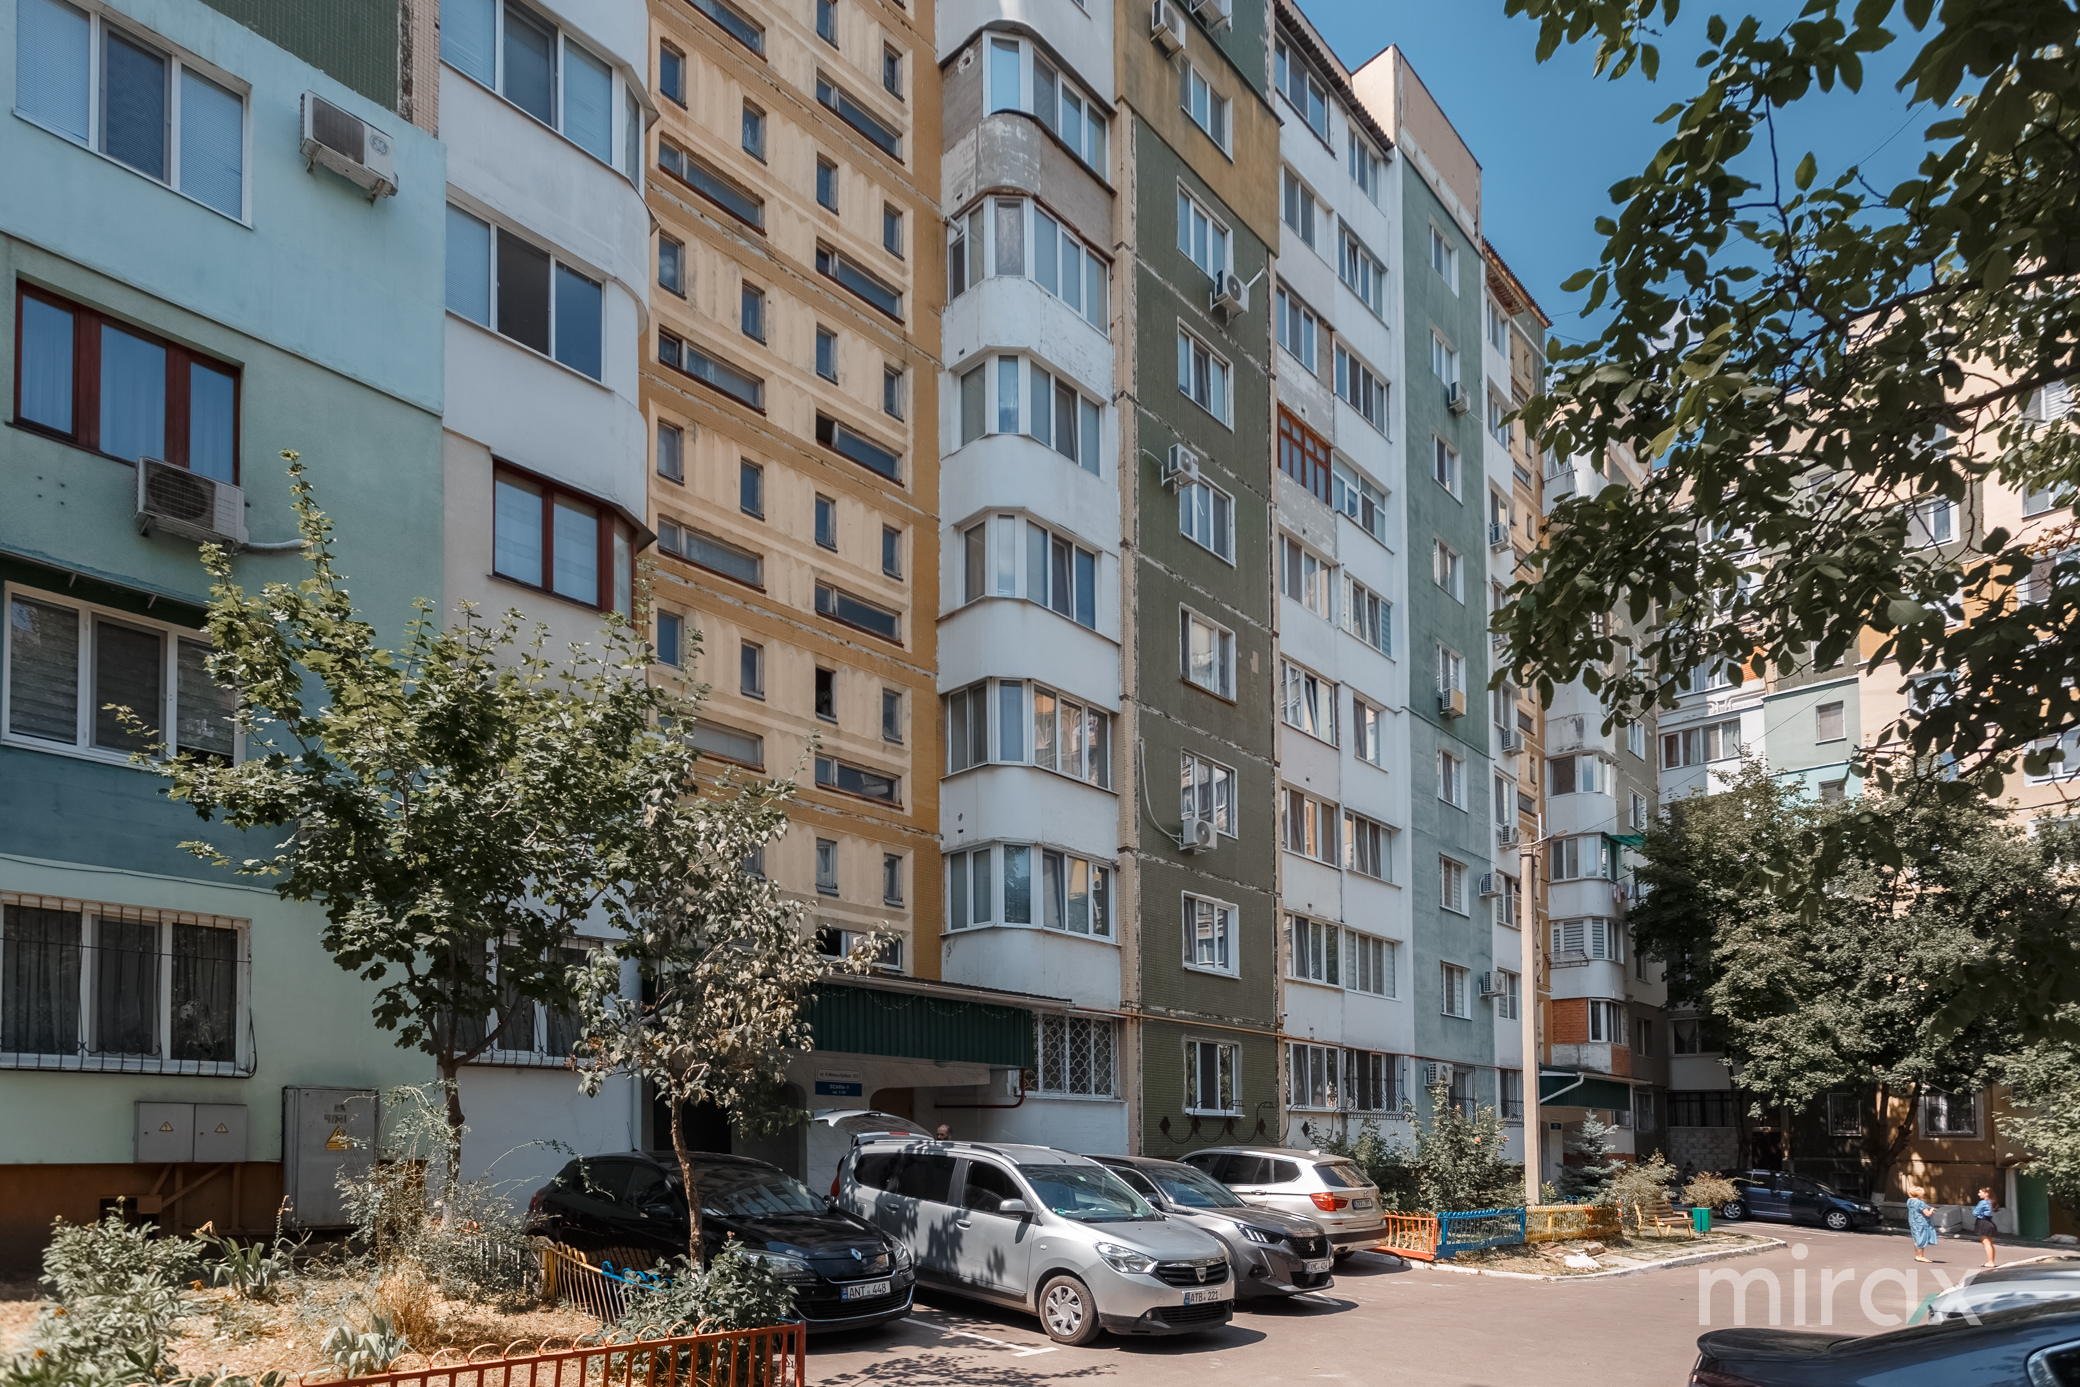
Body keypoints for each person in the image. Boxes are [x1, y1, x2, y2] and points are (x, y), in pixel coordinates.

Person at [1905, 1192, 1939, 1262]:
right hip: (1921, 1222)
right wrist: (1932, 1210)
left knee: (1916, 1238)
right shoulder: (1920, 1202)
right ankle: (1921, 1256)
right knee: (1922, 1238)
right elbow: (1927, 1214)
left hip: (1913, 1221)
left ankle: (1917, 1255)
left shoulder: (1909, 1201)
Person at [1974, 1186, 1999, 1267]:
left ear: (1986, 1193)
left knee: (1986, 1243)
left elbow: (1975, 1212)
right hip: (1989, 1222)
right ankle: (1991, 1261)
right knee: (1990, 1243)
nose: (1978, 1194)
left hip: (1983, 1222)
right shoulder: (1991, 1201)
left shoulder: (1983, 1202)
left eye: (1980, 1192)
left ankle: (1990, 1262)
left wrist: (1977, 1212)